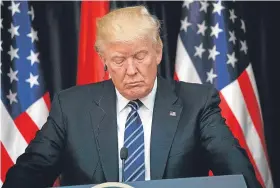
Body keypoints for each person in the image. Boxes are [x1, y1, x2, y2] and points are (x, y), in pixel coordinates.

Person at [3, 5, 262, 188]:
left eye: (140, 56)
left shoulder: (197, 103)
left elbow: (236, 172)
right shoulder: (71, 107)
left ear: (158, 52)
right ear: (104, 60)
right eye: (118, 60)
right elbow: (31, 171)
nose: (131, 70)